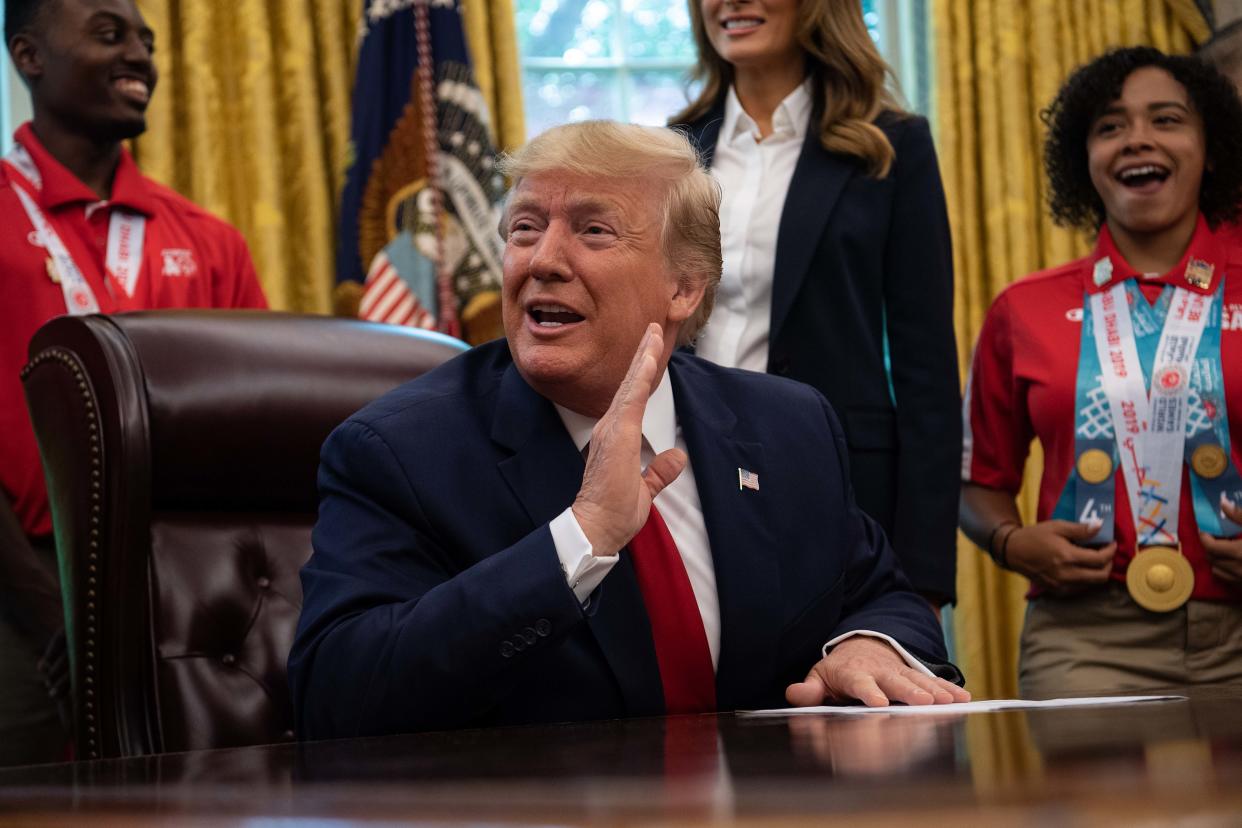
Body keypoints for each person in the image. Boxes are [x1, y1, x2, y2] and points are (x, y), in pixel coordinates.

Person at [290, 121, 967, 738]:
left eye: (593, 231)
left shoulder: (788, 428)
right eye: (524, 228)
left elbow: (881, 593)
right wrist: (579, 538)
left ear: (684, 288)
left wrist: (867, 645)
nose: (542, 261)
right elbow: (335, 692)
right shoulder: (399, 452)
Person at [0, 0, 267, 765]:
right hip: (21, 587)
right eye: (109, 34)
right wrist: (51, 611)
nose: (140, 57)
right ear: (29, 55)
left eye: (147, 42)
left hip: (184, 590)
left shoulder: (210, 240)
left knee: (196, 798)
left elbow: (254, 437)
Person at [961, 47, 1242, 699]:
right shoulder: (1021, 309)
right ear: (1083, 159)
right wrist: (1009, 542)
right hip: (1086, 640)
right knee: (1086, 808)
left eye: (1166, 119)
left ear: (1211, 146)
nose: (1136, 139)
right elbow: (977, 481)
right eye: (1110, 127)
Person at [668, 0, 960, 612]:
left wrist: (925, 573)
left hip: (839, 484)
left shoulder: (890, 144)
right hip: (687, 473)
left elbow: (926, 365)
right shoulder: (673, 150)